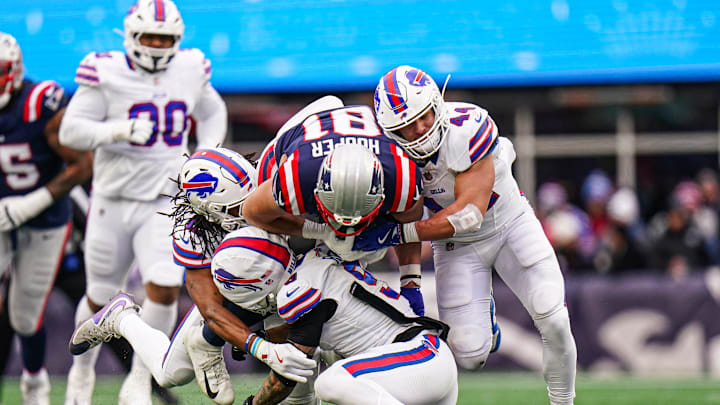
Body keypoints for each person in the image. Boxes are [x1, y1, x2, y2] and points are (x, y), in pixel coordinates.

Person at [362, 65, 577, 404]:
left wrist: (396, 234)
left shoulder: (468, 126)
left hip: (509, 223)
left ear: (438, 104)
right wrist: (411, 280)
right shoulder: (390, 157)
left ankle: (563, 401)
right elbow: (410, 214)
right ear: (390, 131)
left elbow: (469, 214)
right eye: (406, 127)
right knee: (469, 355)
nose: (419, 132)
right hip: (455, 246)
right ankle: (485, 320)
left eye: (425, 118)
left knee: (554, 317)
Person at [58, 0, 227, 403]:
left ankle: (140, 377)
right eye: (150, 37)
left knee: (166, 287)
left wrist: (205, 154)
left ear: (178, 39)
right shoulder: (106, 71)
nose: (156, 45)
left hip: (165, 199)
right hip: (112, 201)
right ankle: (81, 373)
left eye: (165, 38)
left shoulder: (189, 68)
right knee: (100, 294)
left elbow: (213, 109)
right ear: (131, 37)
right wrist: (119, 129)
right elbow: (70, 132)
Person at [68, 148, 318, 405]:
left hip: (290, 280)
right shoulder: (194, 233)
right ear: (210, 210)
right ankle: (123, 319)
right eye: (236, 208)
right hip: (239, 294)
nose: (249, 208)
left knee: (302, 374)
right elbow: (210, 309)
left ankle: (207, 341)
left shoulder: (276, 186)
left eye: (251, 195)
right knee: (170, 373)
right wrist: (258, 347)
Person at [242, 100, 427, 315]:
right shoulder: (296, 176)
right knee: (269, 245)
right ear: (318, 190)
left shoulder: (402, 179)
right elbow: (252, 212)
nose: (343, 225)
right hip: (304, 130)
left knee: (359, 252)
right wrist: (316, 230)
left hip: (368, 139)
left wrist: (410, 282)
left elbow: (409, 224)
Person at [240, 244, 457, 405]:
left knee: (332, 381)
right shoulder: (318, 263)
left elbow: (290, 366)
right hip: (420, 362)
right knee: (330, 357)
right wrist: (264, 338)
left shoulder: (300, 288)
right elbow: (304, 331)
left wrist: (254, 403)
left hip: (420, 357)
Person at [0, 32, 93, 405]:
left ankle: (34, 382)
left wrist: (33, 201)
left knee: (24, 316)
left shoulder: (39, 103)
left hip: (44, 218)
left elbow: (84, 163)